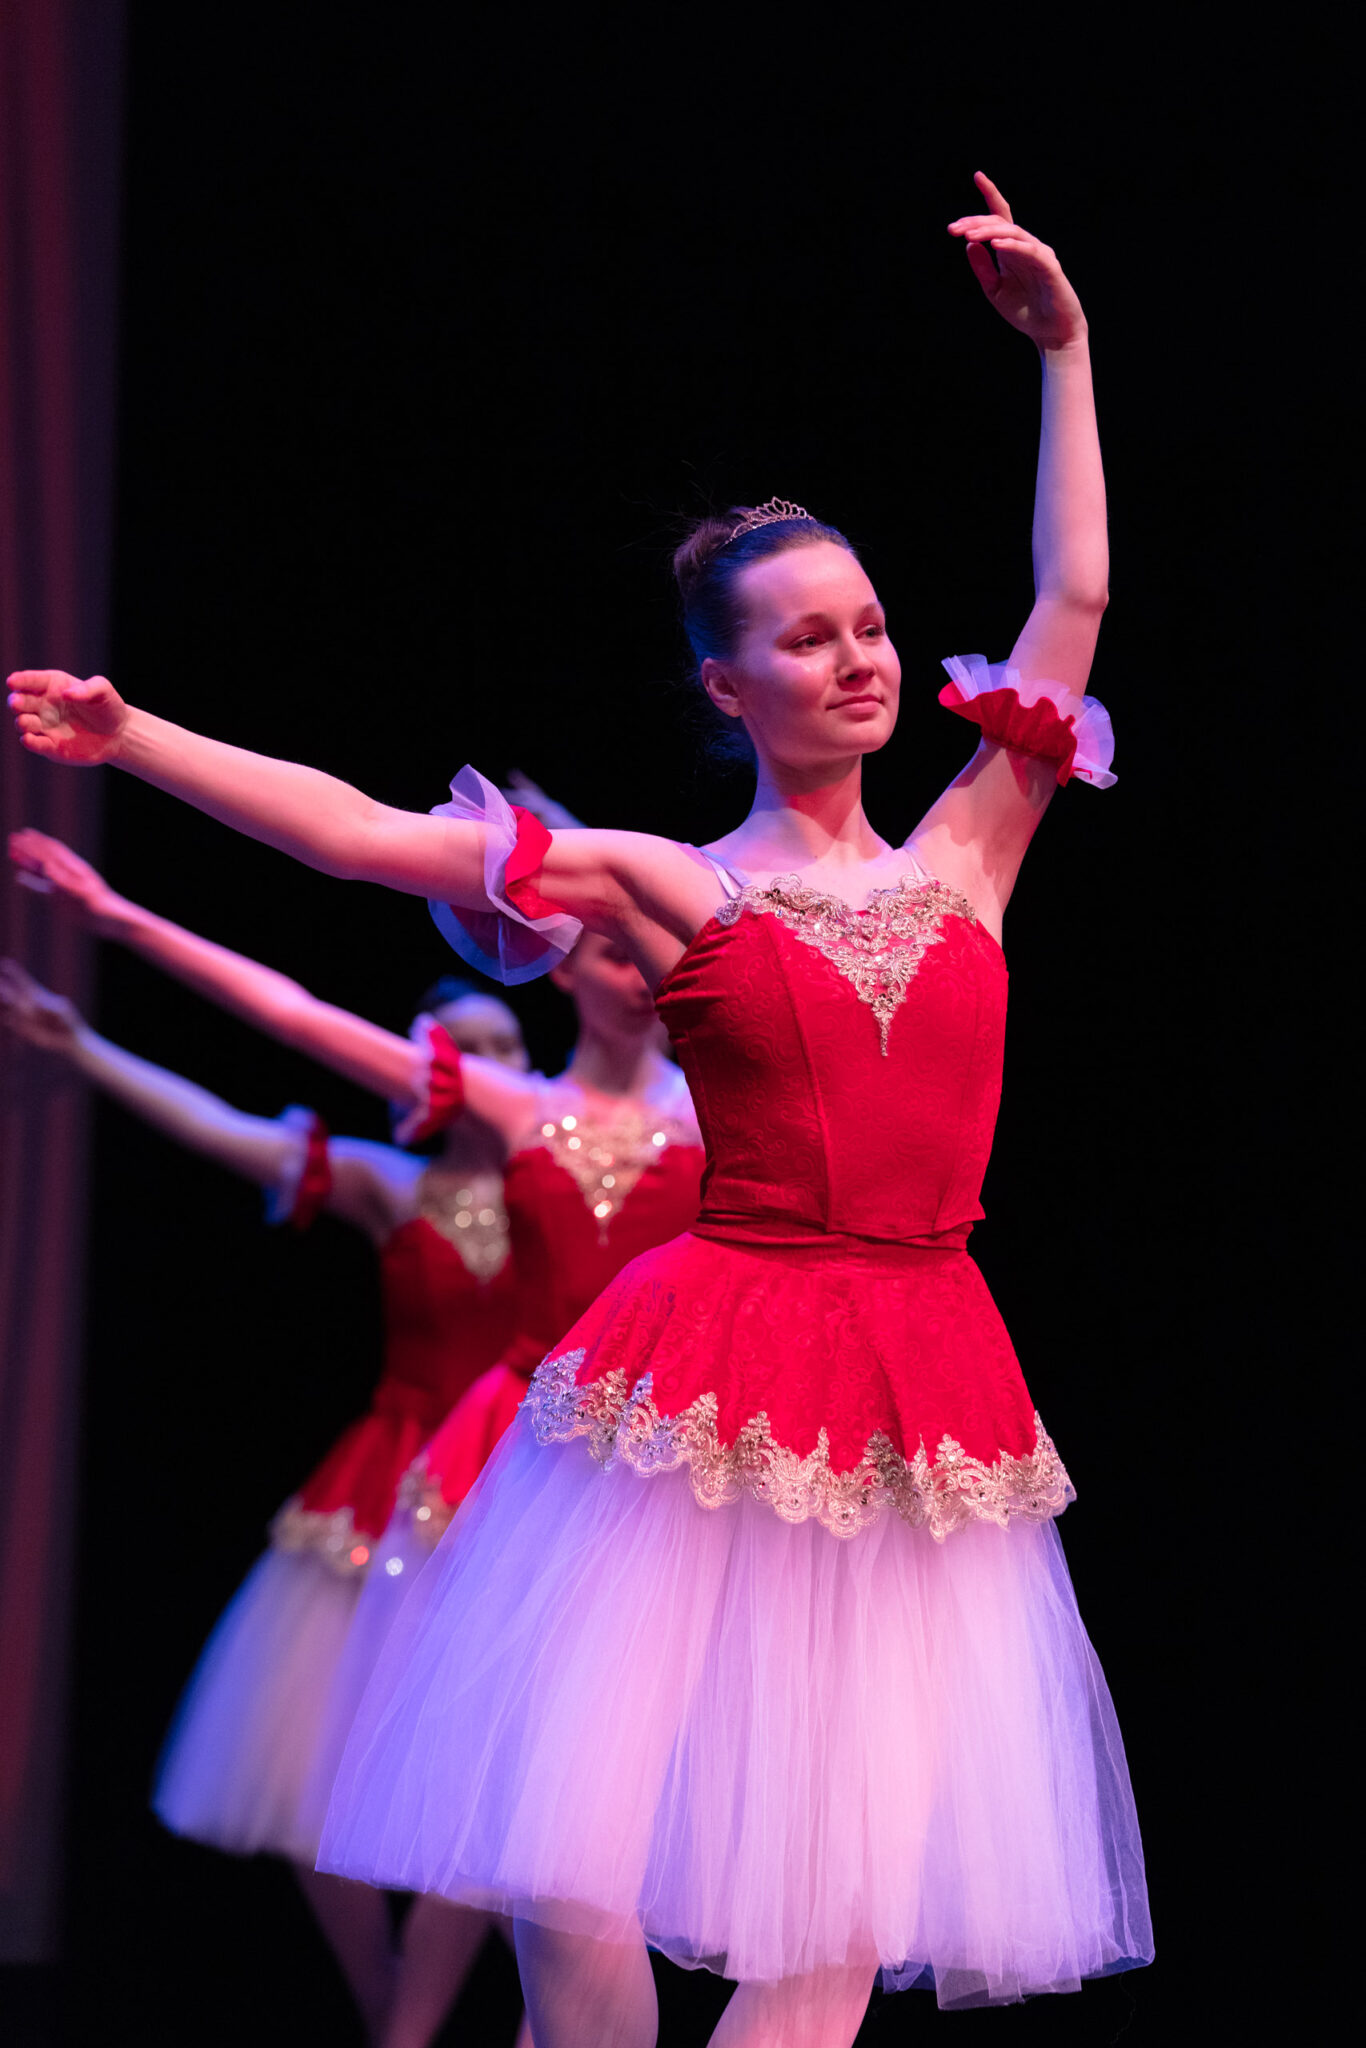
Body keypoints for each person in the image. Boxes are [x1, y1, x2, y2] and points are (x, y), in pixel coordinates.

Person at [10, 173, 1152, 2047]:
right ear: (725, 682)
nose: (861, 659)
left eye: (870, 626)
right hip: (711, 1357)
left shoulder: (974, 845)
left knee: (841, 1904)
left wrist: (1069, 351)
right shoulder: (672, 884)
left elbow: (1078, 593)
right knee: (567, 1868)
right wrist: (137, 739)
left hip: (921, 1383)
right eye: (807, 640)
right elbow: (379, 840)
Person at [9, 820, 705, 2048]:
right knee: (488, 1798)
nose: (636, 971)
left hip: (654, 1468)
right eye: (603, 947)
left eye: (642, 949)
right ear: (561, 969)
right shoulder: (497, 1129)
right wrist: (119, 925)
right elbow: (288, 1024)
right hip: (504, 1472)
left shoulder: (708, 1116)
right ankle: (415, 2021)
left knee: (596, 1813)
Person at [0, 943, 527, 2048]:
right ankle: (395, 2008)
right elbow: (221, 1126)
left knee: (486, 1791)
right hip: (389, 1483)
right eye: (459, 1050)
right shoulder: (395, 1182)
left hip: (518, 1494)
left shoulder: (577, 1175)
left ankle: (407, 2025)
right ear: (420, 1072)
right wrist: (86, 1046)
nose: (483, 1066)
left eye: (503, 1047)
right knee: (308, 1779)